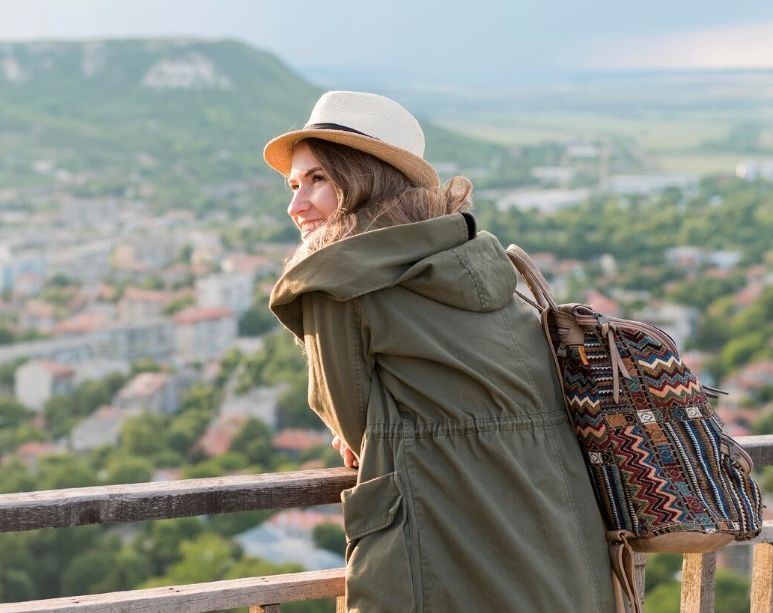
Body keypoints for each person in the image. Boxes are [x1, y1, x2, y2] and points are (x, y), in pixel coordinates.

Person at [265, 91, 619, 612]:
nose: (296, 205)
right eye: (294, 184)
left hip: (443, 544)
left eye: (318, 179)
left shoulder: (333, 280)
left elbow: (353, 422)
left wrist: (375, 431)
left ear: (366, 178)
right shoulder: (481, 259)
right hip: (559, 537)